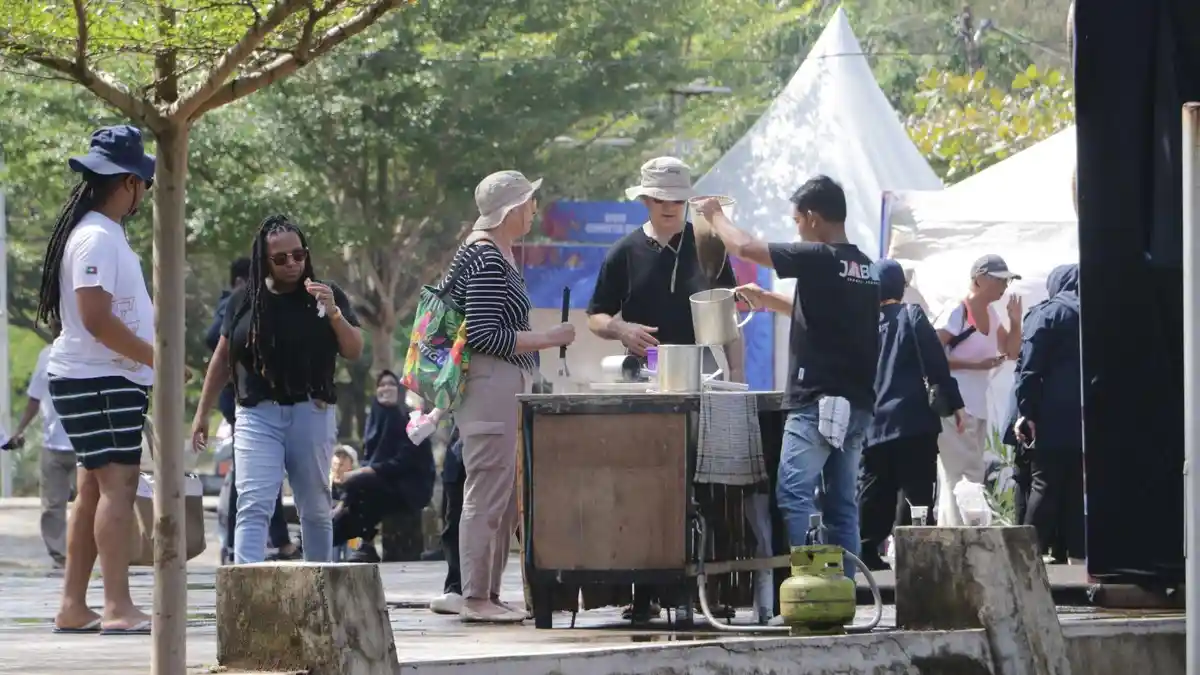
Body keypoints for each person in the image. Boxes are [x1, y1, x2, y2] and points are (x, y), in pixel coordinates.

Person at [695, 175, 879, 577]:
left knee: (793, 495)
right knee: (841, 504)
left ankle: (809, 584)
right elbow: (823, 314)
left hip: (817, 401)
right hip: (857, 404)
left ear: (812, 218)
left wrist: (714, 216)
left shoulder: (818, 256)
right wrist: (769, 300)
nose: (796, 228)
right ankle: (841, 589)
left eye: (797, 221)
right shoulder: (864, 267)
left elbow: (744, 247)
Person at [35, 125, 155, 634]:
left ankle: (73, 604)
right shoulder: (97, 237)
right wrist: (159, 358)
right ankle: (117, 607)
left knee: (91, 491)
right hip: (102, 377)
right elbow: (95, 318)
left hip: (99, 376)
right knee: (117, 486)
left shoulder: (98, 232)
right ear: (129, 182)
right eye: (143, 182)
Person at [191, 214, 364, 564]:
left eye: (299, 255)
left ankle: (320, 588)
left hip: (312, 411)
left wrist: (333, 312)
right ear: (263, 260)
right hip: (258, 414)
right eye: (281, 258)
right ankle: (247, 597)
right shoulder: (243, 301)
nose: (292, 264)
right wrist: (202, 414)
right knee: (253, 503)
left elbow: (354, 350)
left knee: (315, 507)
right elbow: (223, 359)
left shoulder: (326, 294)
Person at [448, 170, 574, 623]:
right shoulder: (485, 257)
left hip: (503, 386)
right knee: (485, 494)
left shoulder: (495, 252)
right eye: (530, 202)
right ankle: (476, 596)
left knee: (500, 496)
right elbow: (482, 334)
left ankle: (488, 593)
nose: (535, 210)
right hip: (489, 387)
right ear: (512, 208)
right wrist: (547, 337)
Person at [587, 156, 743, 382]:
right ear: (645, 199)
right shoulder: (623, 252)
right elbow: (596, 316)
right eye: (660, 199)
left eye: (678, 200)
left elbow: (730, 314)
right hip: (642, 367)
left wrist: (737, 374)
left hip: (701, 367)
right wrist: (622, 329)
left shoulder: (709, 245)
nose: (669, 206)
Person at [857, 261, 965, 570]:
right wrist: (955, 404)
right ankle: (911, 551)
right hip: (912, 419)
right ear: (900, 287)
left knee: (876, 485)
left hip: (873, 421)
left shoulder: (861, 323)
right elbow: (934, 360)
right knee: (915, 485)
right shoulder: (911, 314)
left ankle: (867, 550)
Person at [209, 257, 299, 563]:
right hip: (240, 398)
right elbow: (214, 341)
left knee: (258, 475)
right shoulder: (235, 303)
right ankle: (242, 545)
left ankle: (274, 541)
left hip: (255, 398)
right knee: (249, 477)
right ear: (240, 281)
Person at [934, 255, 1023, 526]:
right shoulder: (958, 310)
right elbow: (931, 353)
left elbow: (1010, 352)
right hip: (953, 404)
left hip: (977, 405)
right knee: (959, 475)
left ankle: (958, 535)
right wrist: (975, 364)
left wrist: (1016, 321)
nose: (1004, 286)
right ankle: (956, 535)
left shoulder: (992, 314)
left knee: (970, 473)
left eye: (1006, 280)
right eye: (999, 279)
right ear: (980, 278)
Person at [1010, 264, 1084, 562]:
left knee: (1044, 482)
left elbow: (1030, 368)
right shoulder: (1096, 311)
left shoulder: (1048, 312)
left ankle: (1029, 553)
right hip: (1086, 414)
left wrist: (1025, 410)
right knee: (1076, 487)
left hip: (1050, 413)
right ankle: (1078, 554)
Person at [333, 371, 435, 564]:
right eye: (382, 384)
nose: (386, 388)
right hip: (385, 482)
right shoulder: (376, 417)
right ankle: (359, 542)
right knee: (358, 492)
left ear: (399, 390)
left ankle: (356, 541)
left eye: (391, 384)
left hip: (411, 486)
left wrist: (367, 471)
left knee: (361, 483)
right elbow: (369, 456)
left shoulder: (412, 418)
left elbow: (407, 460)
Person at [10, 319, 75, 568]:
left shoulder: (88, 354)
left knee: (92, 502)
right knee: (52, 506)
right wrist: (19, 430)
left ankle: (88, 549)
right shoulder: (46, 356)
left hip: (86, 444)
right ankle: (60, 557)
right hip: (53, 444)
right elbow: (34, 398)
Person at [430, 426, 466, 615]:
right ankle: (456, 586)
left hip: (494, 439)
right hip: (459, 446)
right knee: (454, 520)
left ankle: (544, 586)